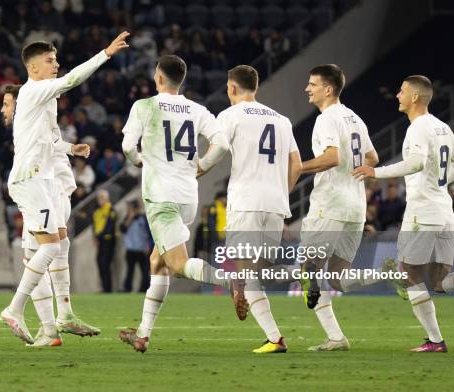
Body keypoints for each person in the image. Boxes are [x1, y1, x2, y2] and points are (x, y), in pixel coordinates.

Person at [0, 31, 130, 347]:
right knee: (48, 248)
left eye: (56, 59)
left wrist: (71, 149)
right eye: (49, 60)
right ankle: (14, 309)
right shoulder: (34, 91)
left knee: (57, 243)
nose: (56, 64)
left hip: (42, 179)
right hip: (28, 179)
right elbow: (72, 80)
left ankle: (55, 324)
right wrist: (106, 53)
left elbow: (48, 139)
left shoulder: (44, 100)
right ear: (34, 69)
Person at [118, 54, 243, 354]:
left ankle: (230, 281)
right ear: (181, 79)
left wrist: (139, 162)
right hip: (188, 196)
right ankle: (143, 334)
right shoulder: (197, 109)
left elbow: (127, 146)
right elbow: (222, 144)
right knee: (157, 261)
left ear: (158, 78)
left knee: (176, 263)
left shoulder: (144, 106)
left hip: (161, 196)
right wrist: (202, 166)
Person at [353, 75, 454, 353]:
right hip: (444, 209)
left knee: (409, 273)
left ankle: (435, 341)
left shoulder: (419, 128)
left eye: (402, 91)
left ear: (415, 98)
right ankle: (434, 341)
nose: (397, 95)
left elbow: (416, 163)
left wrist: (377, 172)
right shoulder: (444, 128)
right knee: (438, 281)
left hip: (424, 211)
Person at [0, 84, 100, 345]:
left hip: (46, 186)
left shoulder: (33, 120)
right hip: (57, 187)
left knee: (38, 253)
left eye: (7, 103)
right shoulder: (41, 119)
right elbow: (52, 142)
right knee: (55, 247)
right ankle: (58, 321)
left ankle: (29, 315)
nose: (3, 109)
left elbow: (48, 144)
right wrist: (70, 149)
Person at [216, 65, 302, 354]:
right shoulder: (282, 120)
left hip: (246, 203)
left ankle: (275, 338)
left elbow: (215, 152)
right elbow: (298, 165)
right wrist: (280, 193)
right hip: (275, 205)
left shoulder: (230, 115)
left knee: (243, 275)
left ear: (231, 88)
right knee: (257, 275)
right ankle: (299, 273)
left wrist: (196, 169)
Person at [299, 64, 383, 352]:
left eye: (312, 84)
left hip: (330, 204)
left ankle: (336, 337)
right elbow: (373, 157)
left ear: (328, 89)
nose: (307, 89)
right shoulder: (355, 118)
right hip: (355, 206)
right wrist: (352, 172)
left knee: (307, 268)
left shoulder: (327, 119)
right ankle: (385, 272)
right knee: (337, 277)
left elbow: (332, 157)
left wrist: (298, 167)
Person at [120, 199, 151, 292]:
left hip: (142, 249)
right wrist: (130, 217)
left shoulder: (143, 218)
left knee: (144, 271)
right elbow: (123, 229)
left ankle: (145, 288)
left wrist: (148, 246)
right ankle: (127, 288)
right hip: (130, 249)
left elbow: (149, 232)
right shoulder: (127, 218)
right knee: (130, 270)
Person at [92, 189, 117, 293]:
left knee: (105, 263)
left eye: (103, 198)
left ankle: (108, 288)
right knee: (99, 262)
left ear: (107, 199)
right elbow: (93, 226)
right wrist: (95, 237)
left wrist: (99, 236)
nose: (101, 200)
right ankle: (104, 287)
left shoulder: (111, 210)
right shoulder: (96, 212)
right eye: (99, 198)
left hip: (108, 240)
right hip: (100, 240)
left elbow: (110, 226)